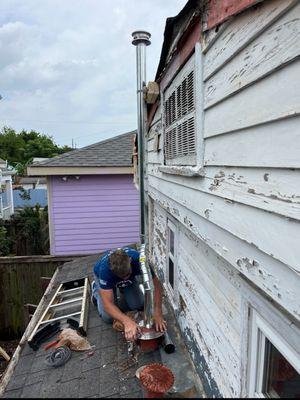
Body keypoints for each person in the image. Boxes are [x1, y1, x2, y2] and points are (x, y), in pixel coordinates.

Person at [92, 247, 166, 342]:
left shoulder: (140, 260)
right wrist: (127, 321)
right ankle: (96, 290)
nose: (124, 278)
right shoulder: (104, 270)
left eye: (127, 274)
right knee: (108, 317)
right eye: (121, 277)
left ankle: (124, 287)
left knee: (138, 304)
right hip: (107, 281)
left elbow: (157, 285)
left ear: (130, 262)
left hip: (129, 278)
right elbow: (108, 304)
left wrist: (158, 312)